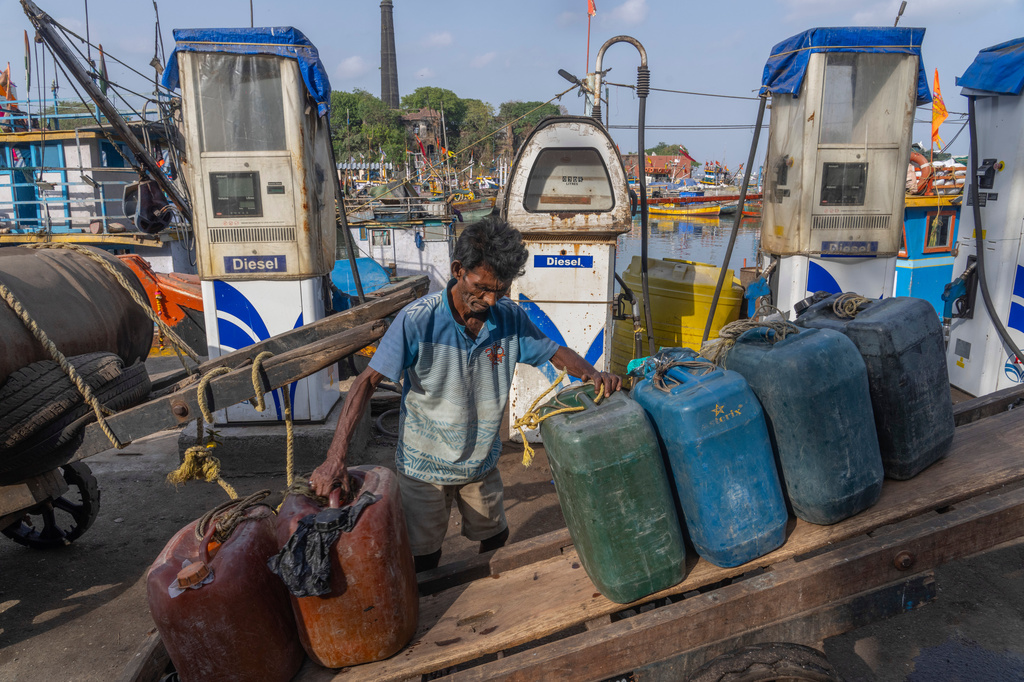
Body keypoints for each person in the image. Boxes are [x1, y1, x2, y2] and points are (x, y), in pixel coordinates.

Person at [310, 215, 621, 571]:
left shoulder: (509, 317)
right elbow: (365, 383)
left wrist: (593, 374)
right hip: (422, 468)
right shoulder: (418, 320)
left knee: (495, 541)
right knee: (423, 557)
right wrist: (336, 456)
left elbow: (553, 351)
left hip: (481, 463)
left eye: (500, 291)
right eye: (482, 287)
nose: (490, 300)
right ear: (458, 270)